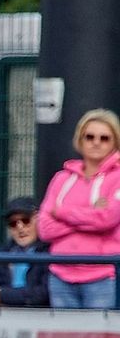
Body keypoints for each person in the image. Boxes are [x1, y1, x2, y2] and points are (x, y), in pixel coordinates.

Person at [37, 109, 120, 309]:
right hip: (60, 275)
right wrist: (89, 214)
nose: (96, 142)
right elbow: (44, 229)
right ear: (80, 139)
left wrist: (63, 213)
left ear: (114, 143)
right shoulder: (61, 178)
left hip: (101, 277)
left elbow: (107, 219)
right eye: (89, 136)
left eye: (104, 138)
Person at [0, 196, 50, 307]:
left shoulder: (49, 252)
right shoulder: (4, 252)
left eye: (26, 220)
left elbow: (42, 294)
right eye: (13, 223)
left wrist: (3, 295)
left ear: (37, 219)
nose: (20, 228)